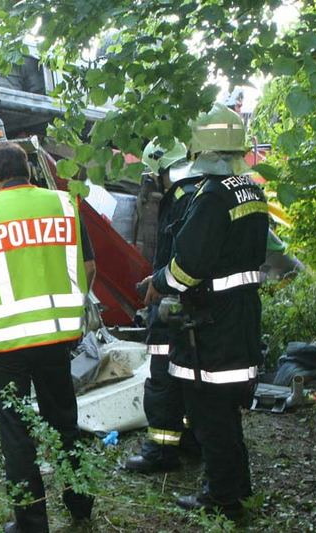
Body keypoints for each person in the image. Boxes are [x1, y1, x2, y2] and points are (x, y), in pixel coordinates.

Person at [0, 142, 95, 533]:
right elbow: (88, 265)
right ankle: (81, 504)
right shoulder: (65, 205)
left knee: (17, 432)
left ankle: (32, 524)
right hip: (57, 338)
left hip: (8, 346)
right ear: (29, 169)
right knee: (65, 421)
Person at [143, 103, 268, 518]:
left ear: (201, 146)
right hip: (240, 315)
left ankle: (222, 497)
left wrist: (159, 284)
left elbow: (188, 266)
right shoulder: (251, 188)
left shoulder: (212, 196)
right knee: (225, 408)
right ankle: (235, 485)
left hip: (212, 322)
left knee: (209, 410)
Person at [125, 139, 202, 473]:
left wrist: (157, 284)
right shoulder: (194, 195)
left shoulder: (178, 201)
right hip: (192, 310)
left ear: (160, 169)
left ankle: (161, 451)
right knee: (188, 381)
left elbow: (180, 260)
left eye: (150, 173)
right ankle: (190, 439)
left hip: (172, 309)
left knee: (162, 381)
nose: (148, 180)